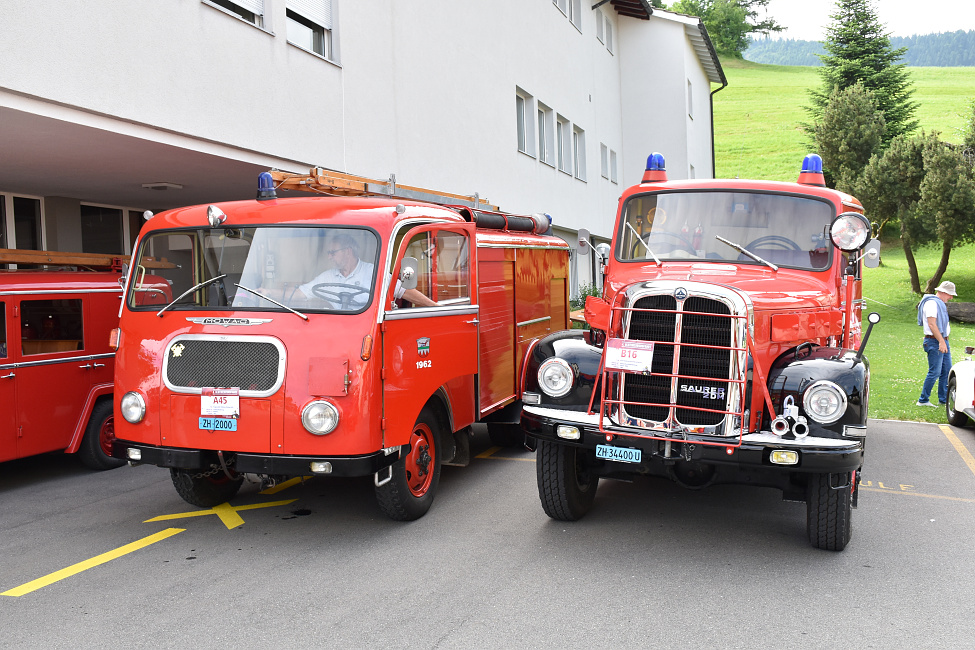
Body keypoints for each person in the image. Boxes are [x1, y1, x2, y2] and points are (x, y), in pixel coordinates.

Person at [296, 233, 437, 309]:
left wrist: (435, 307)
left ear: (347, 251)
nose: (329, 257)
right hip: (336, 328)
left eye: (332, 252)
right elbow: (302, 293)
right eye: (328, 253)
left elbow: (403, 291)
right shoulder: (328, 276)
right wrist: (273, 295)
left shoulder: (373, 272)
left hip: (367, 328)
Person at [916, 280, 957, 407]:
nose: (951, 297)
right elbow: (932, 324)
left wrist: (944, 341)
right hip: (936, 341)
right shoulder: (932, 303)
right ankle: (923, 400)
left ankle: (943, 400)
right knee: (935, 372)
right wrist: (941, 341)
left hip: (942, 340)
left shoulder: (939, 303)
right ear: (943, 292)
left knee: (946, 371)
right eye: (950, 294)